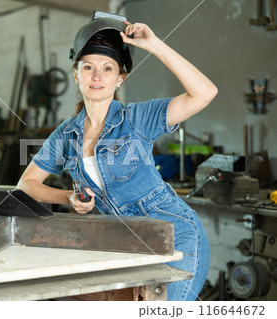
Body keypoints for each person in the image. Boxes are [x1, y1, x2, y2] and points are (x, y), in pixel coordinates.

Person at [16, 16, 217, 301]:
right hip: (125, 243)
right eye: (88, 68)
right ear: (76, 74)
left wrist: (154, 44)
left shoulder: (137, 119)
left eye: (107, 68)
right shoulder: (67, 134)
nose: (97, 77)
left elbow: (205, 93)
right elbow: (27, 184)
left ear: (120, 77)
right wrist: (68, 198)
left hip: (176, 237)